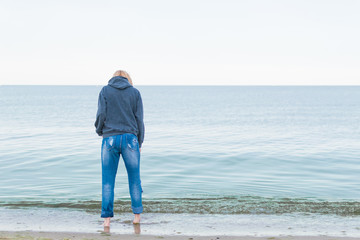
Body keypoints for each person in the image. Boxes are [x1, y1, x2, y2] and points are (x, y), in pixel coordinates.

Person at [95, 70, 144, 227]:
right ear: (128, 79)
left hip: (110, 138)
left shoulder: (105, 90)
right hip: (130, 139)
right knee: (134, 179)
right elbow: (139, 119)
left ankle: (107, 221)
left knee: (108, 181)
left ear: (113, 77)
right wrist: (140, 142)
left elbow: (101, 114)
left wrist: (99, 130)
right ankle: (136, 217)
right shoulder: (135, 92)